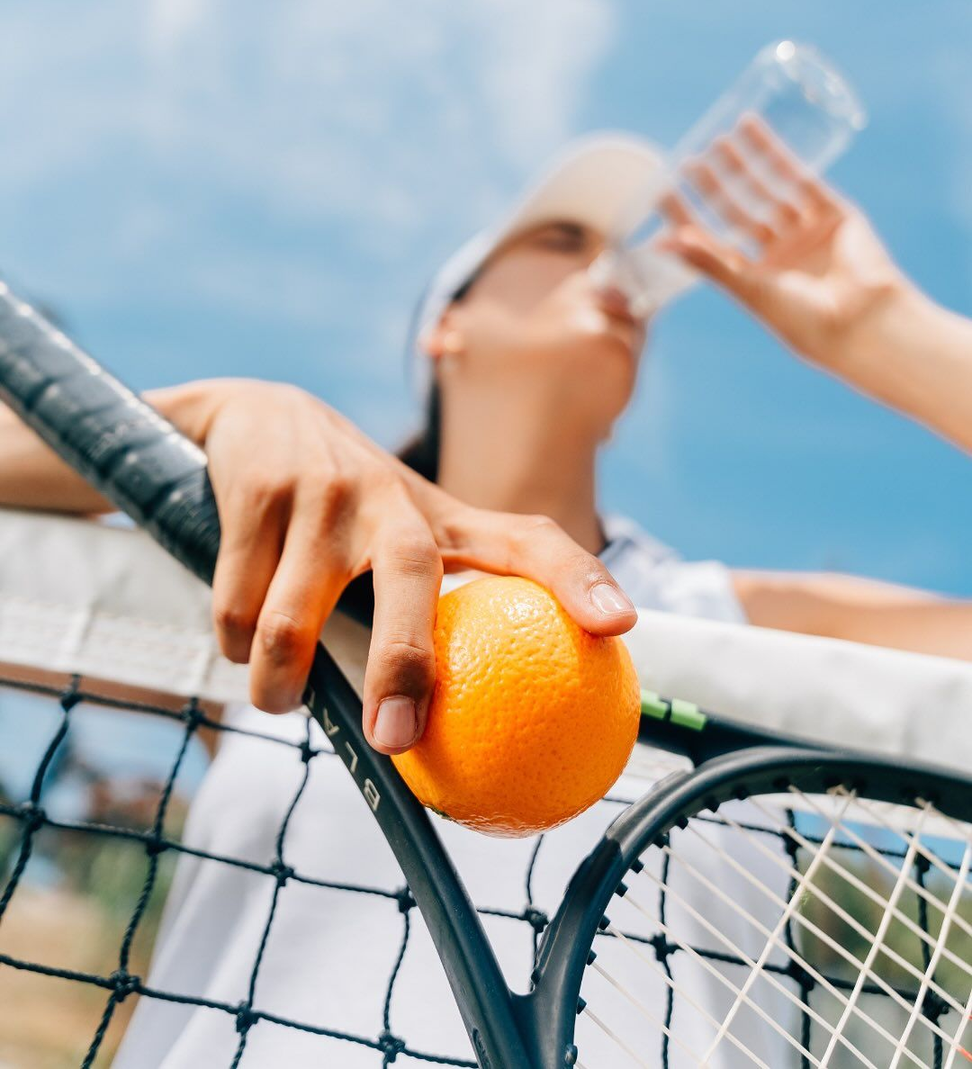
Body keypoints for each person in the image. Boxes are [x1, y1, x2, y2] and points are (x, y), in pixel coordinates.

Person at [0, 131, 970, 1065]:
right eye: (563, 240)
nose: (620, 272)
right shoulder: (282, 574)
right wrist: (210, 416)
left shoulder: (747, 620)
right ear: (446, 325)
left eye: (620, 255)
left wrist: (889, 332)